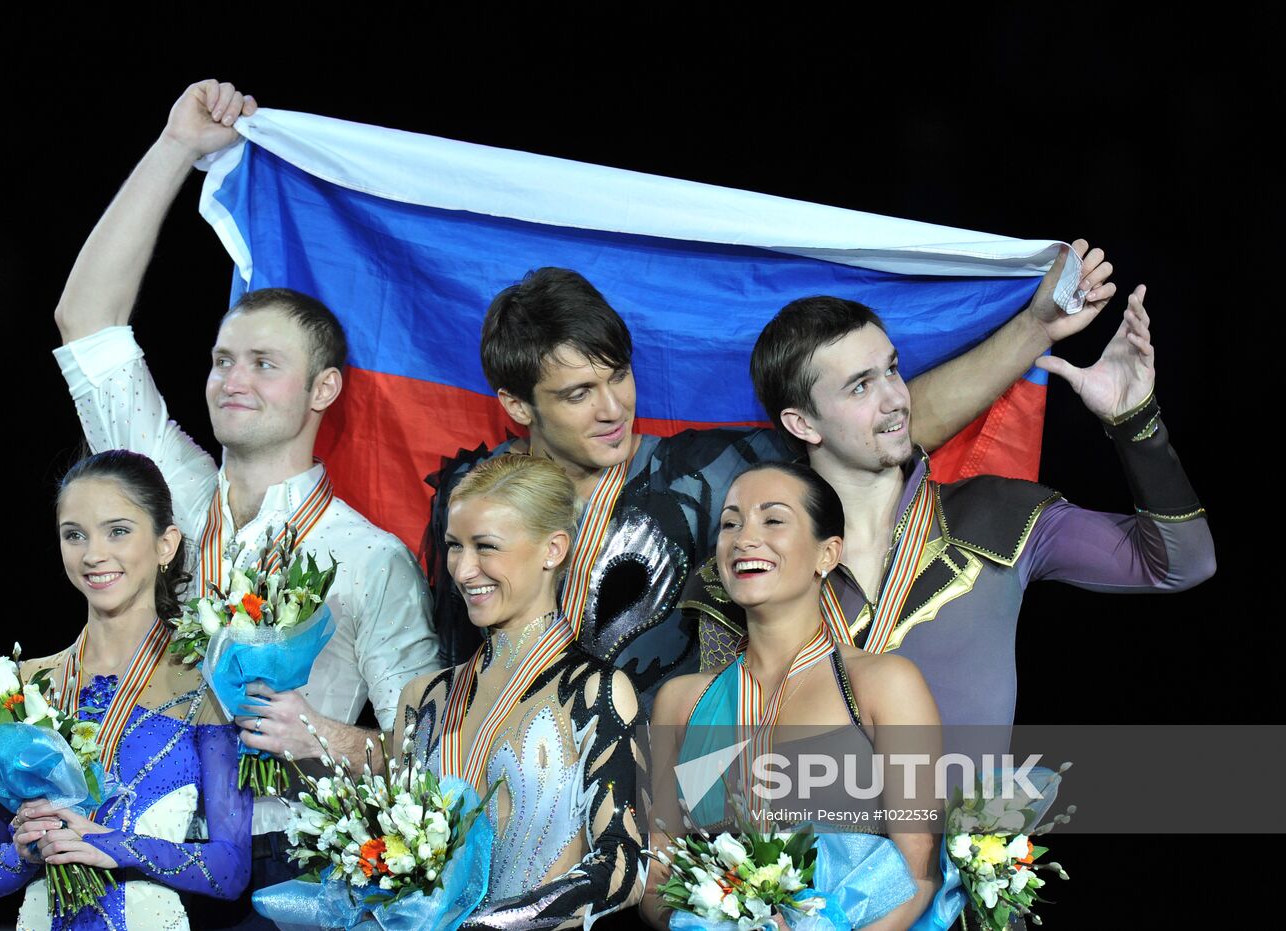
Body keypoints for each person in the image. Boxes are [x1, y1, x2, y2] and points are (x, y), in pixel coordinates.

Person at [50, 79, 439, 896]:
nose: (233, 379)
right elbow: (86, 319)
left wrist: (328, 734)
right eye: (224, 360)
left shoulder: (370, 558)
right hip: (132, 839)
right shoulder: (168, 491)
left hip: (283, 871)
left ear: (323, 390)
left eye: (265, 364)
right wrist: (175, 148)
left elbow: (429, 749)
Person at [428, 251, 1116, 704]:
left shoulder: (711, 471)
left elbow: (885, 424)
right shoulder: (472, 500)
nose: (614, 409)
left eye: (620, 377)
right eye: (579, 394)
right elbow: (451, 668)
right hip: (512, 799)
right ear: (519, 405)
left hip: (664, 812)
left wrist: (1034, 329)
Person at [734, 285, 1215, 730]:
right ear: (802, 424)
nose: (896, 399)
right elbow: (710, 772)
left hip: (975, 826)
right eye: (860, 386)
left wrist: (1135, 423)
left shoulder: (996, 513)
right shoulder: (751, 565)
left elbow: (1181, 564)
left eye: (892, 370)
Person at [645, 462, 945, 930]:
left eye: (773, 519)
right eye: (730, 523)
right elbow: (657, 881)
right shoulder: (681, 702)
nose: (744, 538)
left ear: (827, 554)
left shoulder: (883, 684)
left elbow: (919, 872)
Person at [0, 450, 253, 929]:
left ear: (166, 545)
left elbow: (230, 870)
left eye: (117, 531)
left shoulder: (210, 683)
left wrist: (106, 843)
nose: (93, 554)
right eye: (74, 535)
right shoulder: (24, 687)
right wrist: (26, 852)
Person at [395, 455, 643, 928]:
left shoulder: (596, 691)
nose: (464, 570)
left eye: (486, 547)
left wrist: (495, 925)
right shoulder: (422, 698)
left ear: (553, 549)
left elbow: (624, 866)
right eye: (453, 546)